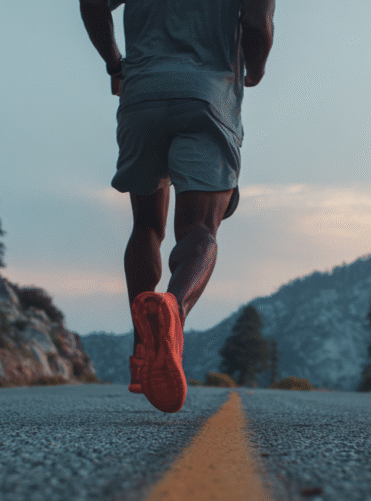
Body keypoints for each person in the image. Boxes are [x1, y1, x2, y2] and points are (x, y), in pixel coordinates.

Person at [80, 0, 275, 413]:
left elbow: (92, 3)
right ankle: (174, 307)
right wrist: (253, 72)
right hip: (207, 96)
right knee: (200, 232)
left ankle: (141, 355)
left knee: (147, 227)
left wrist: (116, 63)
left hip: (141, 96)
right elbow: (257, 25)